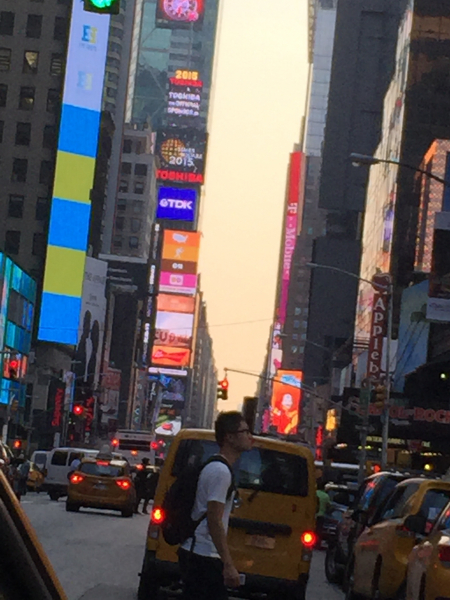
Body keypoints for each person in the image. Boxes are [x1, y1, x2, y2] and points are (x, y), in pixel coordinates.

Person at [178, 411, 253, 600]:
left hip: (198, 552)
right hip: (203, 555)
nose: (249, 436)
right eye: (244, 431)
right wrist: (228, 564)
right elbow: (214, 519)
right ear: (229, 437)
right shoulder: (221, 471)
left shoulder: (218, 467)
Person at [316, 480, 331, 548]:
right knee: (319, 531)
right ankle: (317, 543)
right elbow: (329, 506)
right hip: (320, 516)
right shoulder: (326, 496)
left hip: (312, 515)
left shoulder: (314, 493)